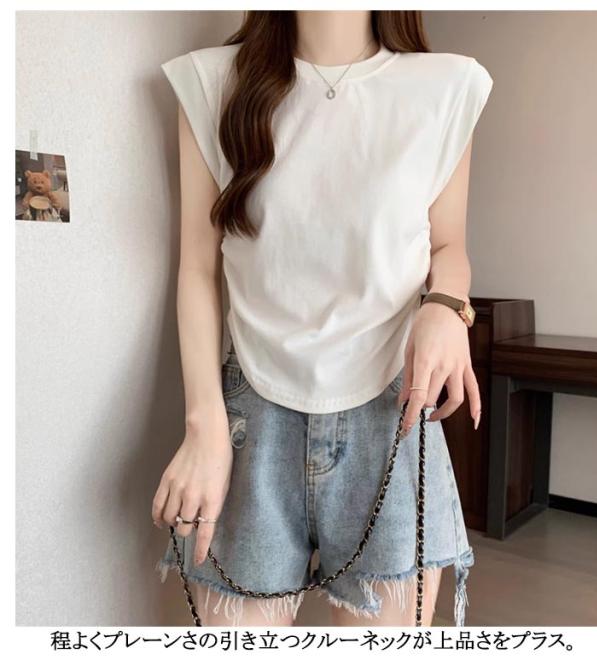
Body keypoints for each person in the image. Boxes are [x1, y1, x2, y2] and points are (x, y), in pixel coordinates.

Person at [152, 9, 492, 627]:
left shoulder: (446, 86)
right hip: (250, 421)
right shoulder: (212, 83)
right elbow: (198, 268)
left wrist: (446, 307)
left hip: (392, 416)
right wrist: (204, 424)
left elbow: (449, 246)